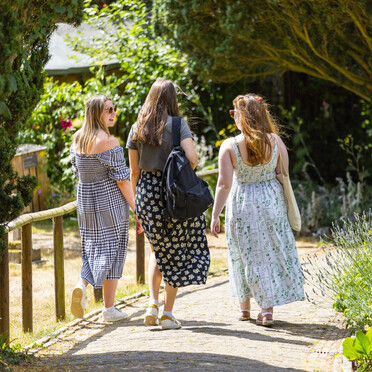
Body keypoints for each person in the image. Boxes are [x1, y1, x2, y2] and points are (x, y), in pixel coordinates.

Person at [210, 94, 305, 326]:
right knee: (268, 253)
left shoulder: (230, 146)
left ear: (243, 117)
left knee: (243, 253)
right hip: (271, 201)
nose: (233, 118)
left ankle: (245, 309)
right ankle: (266, 310)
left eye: (235, 113)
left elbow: (224, 184)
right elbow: (283, 173)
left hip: (243, 202)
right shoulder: (275, 141)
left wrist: (215, 214)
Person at [126, 78, 210, 330]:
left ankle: (152, 303)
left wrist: (138, 207)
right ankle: (167, 314)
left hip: (145, 194)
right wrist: (180, 166)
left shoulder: (136, 127)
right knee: (175, 251)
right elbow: (193, 158)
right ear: (173, 99)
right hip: (173, 194)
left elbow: (133, 172)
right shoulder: (178, 124)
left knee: (157, 250)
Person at [70, 95, 141, 321]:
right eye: (108, 110)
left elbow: (77, 172)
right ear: (96, 113)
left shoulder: (77, 140)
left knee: (91, 247)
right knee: (113, 249)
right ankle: (107, 307)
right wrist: (137, 210)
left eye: (113, 109)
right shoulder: (109, 142)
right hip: (109, 201)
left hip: (85, 201)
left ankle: (85, 286)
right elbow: (122, 179)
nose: (113, 114)